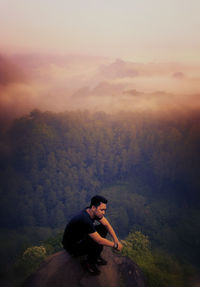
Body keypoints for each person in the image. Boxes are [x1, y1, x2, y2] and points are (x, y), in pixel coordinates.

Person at [62, 195, 123, 275]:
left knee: (103, 228)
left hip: (81, 236)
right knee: (98, 244)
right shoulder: (85, 219)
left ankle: (95, 256)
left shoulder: (91, 211)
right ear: (94, 208)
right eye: (102, 210)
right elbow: (99, 240)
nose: (103, 212)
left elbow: (107, 225)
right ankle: (88, 263)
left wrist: (116, 240)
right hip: (73, 246)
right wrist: (115, 245)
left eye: (105, 210)